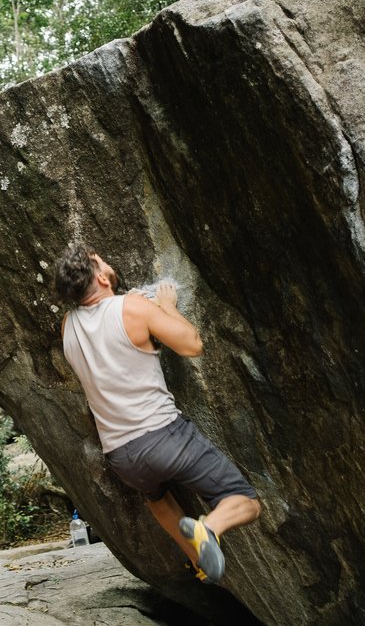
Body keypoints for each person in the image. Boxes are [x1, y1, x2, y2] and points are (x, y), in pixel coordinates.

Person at [53, 243, 260, 584]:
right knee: (246, 500)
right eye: (103, 261)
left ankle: (199, 562)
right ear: (101, 275)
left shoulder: (68, 326)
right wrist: (165, 308)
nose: (108, 263)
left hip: (122, 456)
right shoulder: (133, 307)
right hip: (165, 437)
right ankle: (209, 529)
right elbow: (192, 344)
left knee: (158, 499)